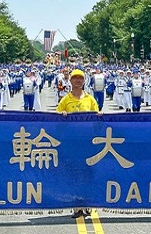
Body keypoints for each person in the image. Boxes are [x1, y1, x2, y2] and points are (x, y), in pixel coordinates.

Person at [56, 68, 101, 219]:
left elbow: (97, 118)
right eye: (75, 78)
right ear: (70, 81)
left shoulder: (90, 99)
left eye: (80, 78)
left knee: (88, 173)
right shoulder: (65, 99)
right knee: (74, 173)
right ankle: (76, 207)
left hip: (88, 142)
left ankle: (88, 203)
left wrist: (99, 115)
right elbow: (55, 119)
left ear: (84, 81)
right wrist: (61, 115)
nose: (77, 81)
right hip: (71, 143)